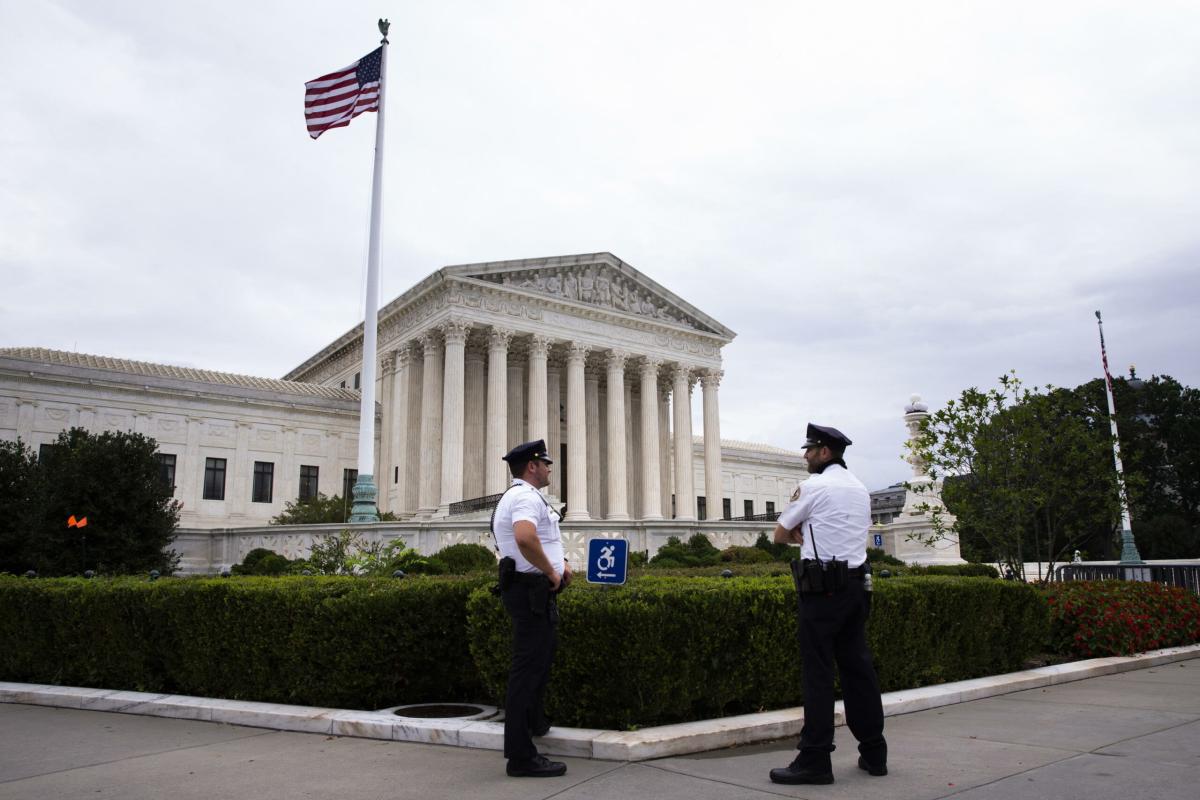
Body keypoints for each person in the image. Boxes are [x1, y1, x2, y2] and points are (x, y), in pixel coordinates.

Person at [768, 423, 888, 785]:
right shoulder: (859, 488)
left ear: (824, 452)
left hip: (823, 593)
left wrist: (797, 533)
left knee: (818, 674)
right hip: (857, 587)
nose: (804, 455)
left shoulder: (814, 486)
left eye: (809, 449)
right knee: (858, 670)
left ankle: (815, 759)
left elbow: (778, 534)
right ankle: (874, 752)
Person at [492, 439, 572, 778]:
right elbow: (525, 538)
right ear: (531, 467)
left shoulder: (519, 496)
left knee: (539, 661)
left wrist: (560, 562)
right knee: (527, 670)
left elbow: (541, 538)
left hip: (531, 590)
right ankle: (521, 756)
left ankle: (535, 723)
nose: (550, 468)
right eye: (545, 463)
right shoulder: (525, 496)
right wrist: (552, 571)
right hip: (531, 591)